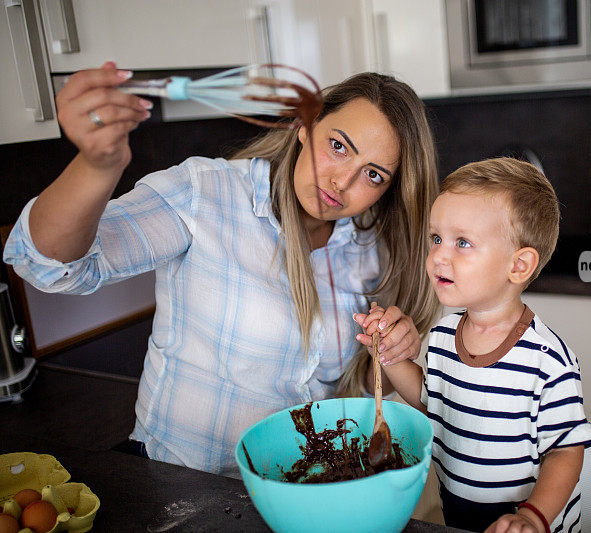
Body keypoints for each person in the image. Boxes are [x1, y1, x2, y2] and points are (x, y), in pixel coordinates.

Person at [2, 61, 440, 476]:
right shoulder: (204, 194)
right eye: (338, 146)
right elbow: (48, 266)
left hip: (292, 488)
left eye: (374, 175)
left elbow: (349, 380)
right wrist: (98, 165)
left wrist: (389, 352)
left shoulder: (365, 247)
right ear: (303, 127)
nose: (342, 182)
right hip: (178, 485)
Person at [356, 158, 591, 533]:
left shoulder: (547, 362)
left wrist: (532, 518)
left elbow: (566, 452)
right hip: (459, 517)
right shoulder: (441, 336)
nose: (438, 255)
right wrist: (386, 351)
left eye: (462, 242)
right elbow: (427, 397)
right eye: (436, 238)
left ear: (518, 266)